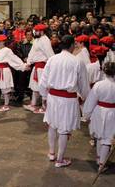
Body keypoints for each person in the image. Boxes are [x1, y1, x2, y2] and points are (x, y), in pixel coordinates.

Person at [39, 35, 90, 168]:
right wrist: (85, 98)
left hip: (53, 97)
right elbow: (83, 84)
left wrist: (44, 96)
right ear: (72, 45)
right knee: (64, 128)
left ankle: (51, 153)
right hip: (67, 99)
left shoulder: (52, 60)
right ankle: (60, 159)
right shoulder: (77, 62)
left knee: (52, 124)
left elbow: (43, 80)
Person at [83, 62, 115, 172]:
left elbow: (91, 100)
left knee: (100, 136)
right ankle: (102, 163)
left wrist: (87, 114)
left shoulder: (98, 85)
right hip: (112, 113)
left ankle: (99, 159)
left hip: (99, 112)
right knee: (107, 139)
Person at [0, 35, 28, 112]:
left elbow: (14, 59)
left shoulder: (7, 50)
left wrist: (23, 66)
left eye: (0, 41)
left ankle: (6, 104)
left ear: (4, 42)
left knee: (5, 88)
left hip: (5, 71)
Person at [24, 24, 55, 114]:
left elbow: (50, 54)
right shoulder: (37, 40)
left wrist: (53, 66)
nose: (35, 32)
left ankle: (44, 107)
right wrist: (28, 63)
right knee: (35, 87)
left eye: (36, 31)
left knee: (43, 87)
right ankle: (33, 104)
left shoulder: (45, 40)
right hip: (36, 67)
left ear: (42, 31)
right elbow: (32, 53)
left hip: (42, 67)